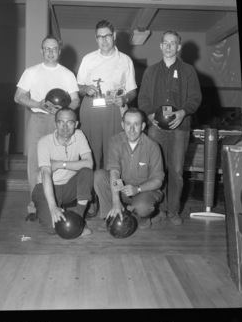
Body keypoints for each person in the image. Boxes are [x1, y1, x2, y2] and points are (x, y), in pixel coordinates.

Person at [138, 30, 202, 225]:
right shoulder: (150, 71)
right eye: (165, 42)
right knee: (156, 170)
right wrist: (149, 115)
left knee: (176, 170)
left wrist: (183, 113)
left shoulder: (188, 71)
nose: (168, 46)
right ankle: (157, 210)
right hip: (156, 128)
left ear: (178, 47)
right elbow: (143, 99)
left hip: (180, 128)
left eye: (172, 43)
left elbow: (195, 98)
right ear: (160, 46)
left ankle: (173, 211)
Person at [14, 35, 80, 216]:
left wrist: (64, 112)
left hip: (57, 122)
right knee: (35, 163)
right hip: (37, 119)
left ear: (59, 51)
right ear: (42, 51)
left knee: (55, 163)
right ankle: (34, 206)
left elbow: (76, 99)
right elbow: (18, 96)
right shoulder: (31, 71)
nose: (51, 52)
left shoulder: (67, 74)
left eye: (54, 49)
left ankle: (56, 203)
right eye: (47, 49)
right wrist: (37, 104)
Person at [77, 20, 138, 216]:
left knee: (113, 156)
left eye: (107, 35)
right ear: (96, 39)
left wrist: (124, 98)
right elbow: (77, 87)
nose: (104, 40)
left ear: (114, 36)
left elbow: (132, 91)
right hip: (91, 109)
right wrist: (85, 88)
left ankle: (112, 201)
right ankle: (90, 202)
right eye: (100, 36)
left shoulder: (125, 60)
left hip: (113, 109)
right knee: (89, 156)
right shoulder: (88, 59)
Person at [94, 107, 164, 230]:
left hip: (144, 190)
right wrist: (116, 200)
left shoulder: (153, 146)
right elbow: (114, 172)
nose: (132, 129)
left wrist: (137, 189)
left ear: (142, 126)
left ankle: (143, 217)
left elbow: (158, 181)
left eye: (136, 124)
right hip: (123, 188)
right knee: (99, 176)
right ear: (122, 125)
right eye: (128, 124)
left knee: (143, 208)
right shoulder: (115, 141)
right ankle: (110, 215)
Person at [31, 107, 94, 235]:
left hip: (68, 187)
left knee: (86, 172)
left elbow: (89, 163)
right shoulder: (44, 142)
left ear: (76, 124)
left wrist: (60, 164)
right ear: (55, 124)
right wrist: (52, 206)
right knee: (52, 228)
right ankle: (44, 209)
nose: (65, 127)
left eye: (69, 122)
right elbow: (45, 174)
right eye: (61, 122)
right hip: (46, 187)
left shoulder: (79, 135)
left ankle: (79, 219)